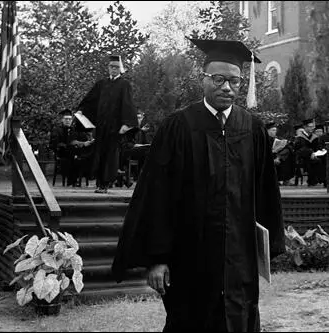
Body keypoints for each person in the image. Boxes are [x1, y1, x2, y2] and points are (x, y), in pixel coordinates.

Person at [111, 39, 285, 331]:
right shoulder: (178, 126)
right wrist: (157, 259)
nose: (226, 88)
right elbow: (156, 196)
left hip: (238, 259)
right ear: (202, 79)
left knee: (239, 319)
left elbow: (267, 194)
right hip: (189, 257)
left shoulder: (252, 129)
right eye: (218, 79)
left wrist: (266, 250)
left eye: (234, 81)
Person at [77, 55, 137, 193]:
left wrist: (126, 124)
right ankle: (100, 183)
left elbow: (128, 105)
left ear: (120, 69)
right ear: (108, 68)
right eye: (111, 67)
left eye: (116, 67)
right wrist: (81, 110)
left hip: (115, 128)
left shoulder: (124, 85)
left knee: (110, 155)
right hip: (101, 126)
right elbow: (90, 100)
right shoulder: (101, 84)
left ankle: (105, 183)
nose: (114, 69)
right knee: (99, 153)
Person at [117, 111, 151, 187]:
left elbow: (145, 142)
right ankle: (135, 177)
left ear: (142, 118)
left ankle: (144, 177)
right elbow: (124, 143)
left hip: (139, 152)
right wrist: (135, 145)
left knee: (149, 152)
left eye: (140, 118)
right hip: (127, 152)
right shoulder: (129, 129)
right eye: (137, 118)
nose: (138, 120)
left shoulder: (142, 131)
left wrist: (147, 144)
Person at [49, 109, 75, 185]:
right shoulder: (57, 129)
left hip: (73, 152)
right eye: (66, 119)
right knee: (71, 158)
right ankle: (71, 180)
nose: (68, 121)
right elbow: (54, 143)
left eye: (70, 119)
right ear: (62, 120)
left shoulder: (74, 129)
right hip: (62, 153)